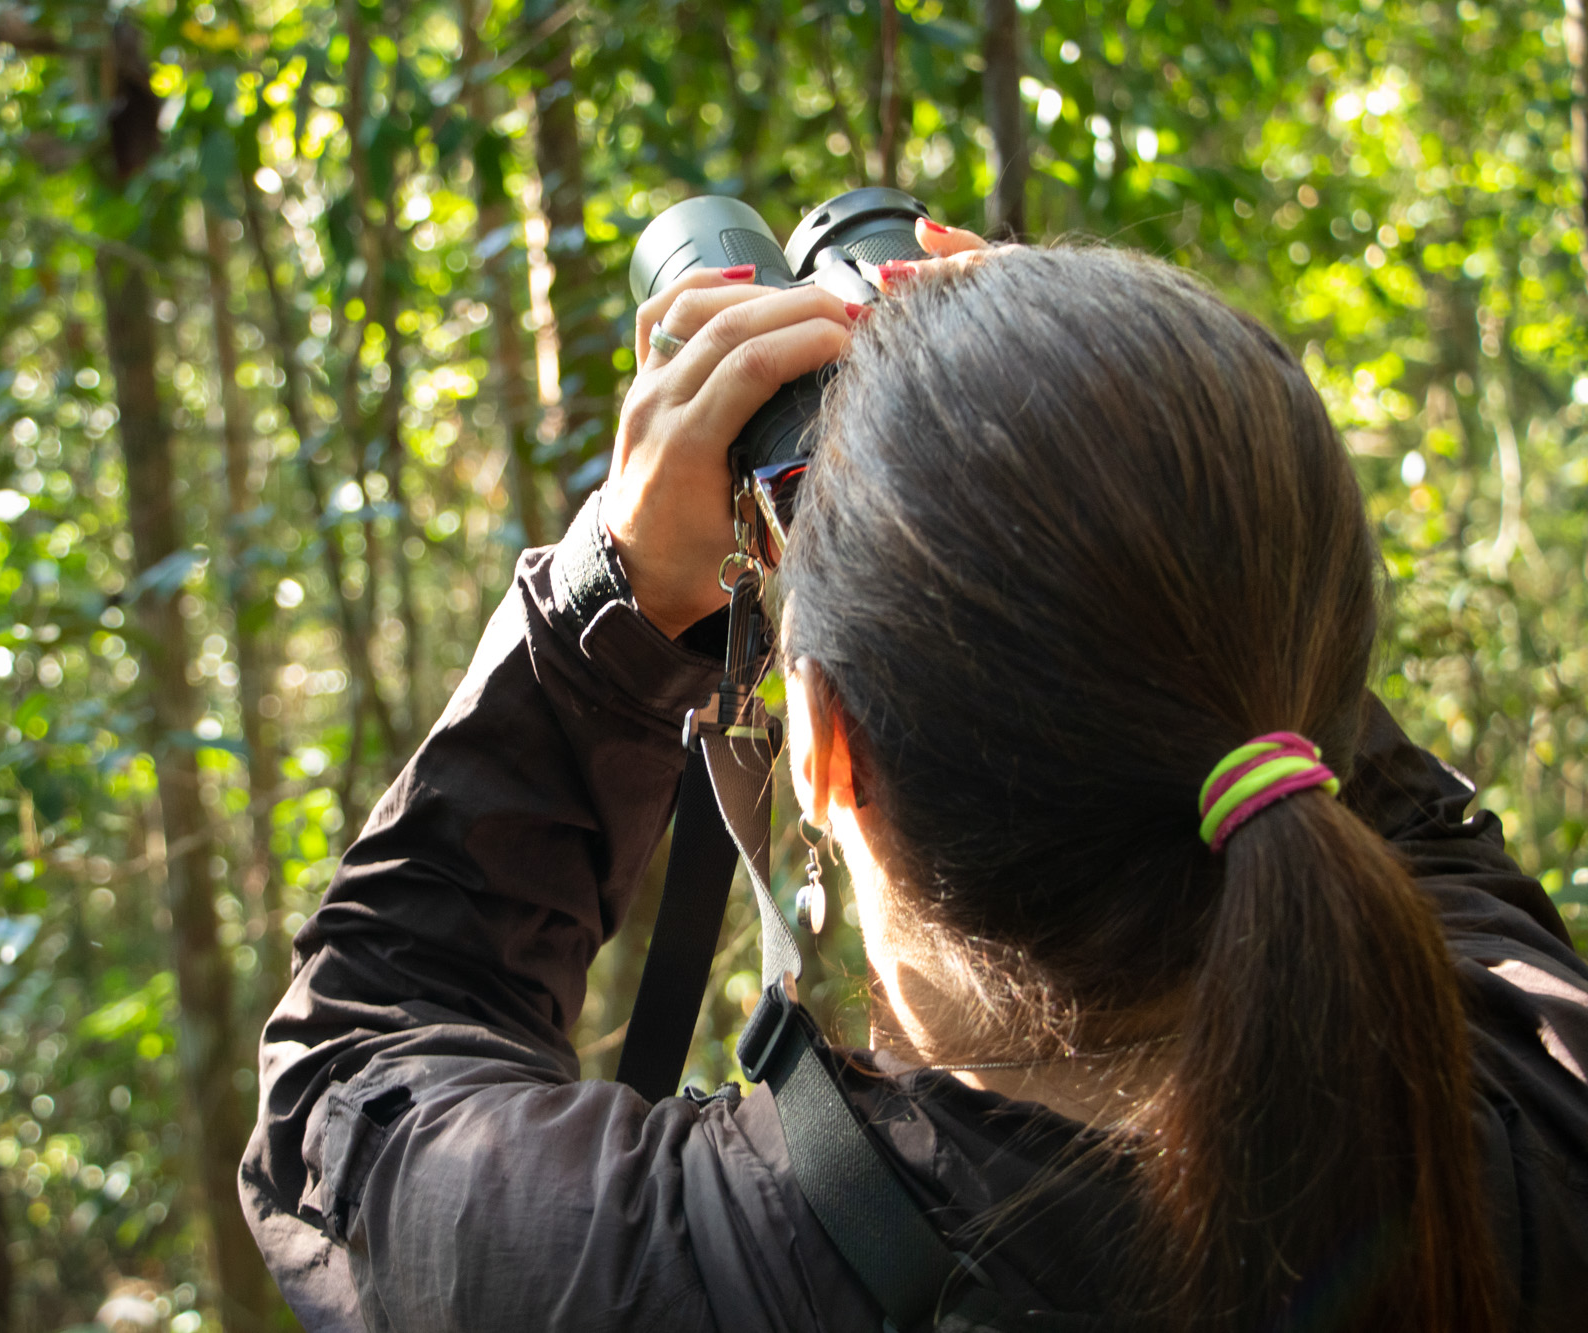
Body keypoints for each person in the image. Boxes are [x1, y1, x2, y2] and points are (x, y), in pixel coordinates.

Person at [238, 223, 1588, 1332]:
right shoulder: (1530, 1134)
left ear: (821, 749)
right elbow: (1383, 803)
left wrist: (615, 594)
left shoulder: (664, 1275)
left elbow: (344, 1080)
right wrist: (1143, 451)